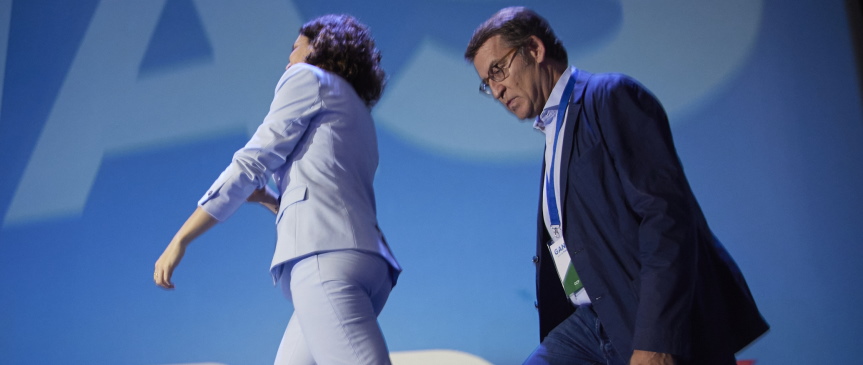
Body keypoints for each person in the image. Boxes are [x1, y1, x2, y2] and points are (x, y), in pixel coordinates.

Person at [464, 7, 768, 365]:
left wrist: (657, 340)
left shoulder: (609, 96)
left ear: (534, 49)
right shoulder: (554, 131)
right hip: (591, 322)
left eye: (498, 70)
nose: (496, 90)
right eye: (487, 82)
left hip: (642, 318)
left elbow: (666, 218)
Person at [154, 14, 401, 365]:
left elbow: (251, 162)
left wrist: (181, 239)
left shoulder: (305, 77)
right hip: (366, 261)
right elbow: (329, 188)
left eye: (295, 48)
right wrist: (271, 200)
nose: (288, 59)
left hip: (324, 260)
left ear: (319, 46)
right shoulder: (357, 110)